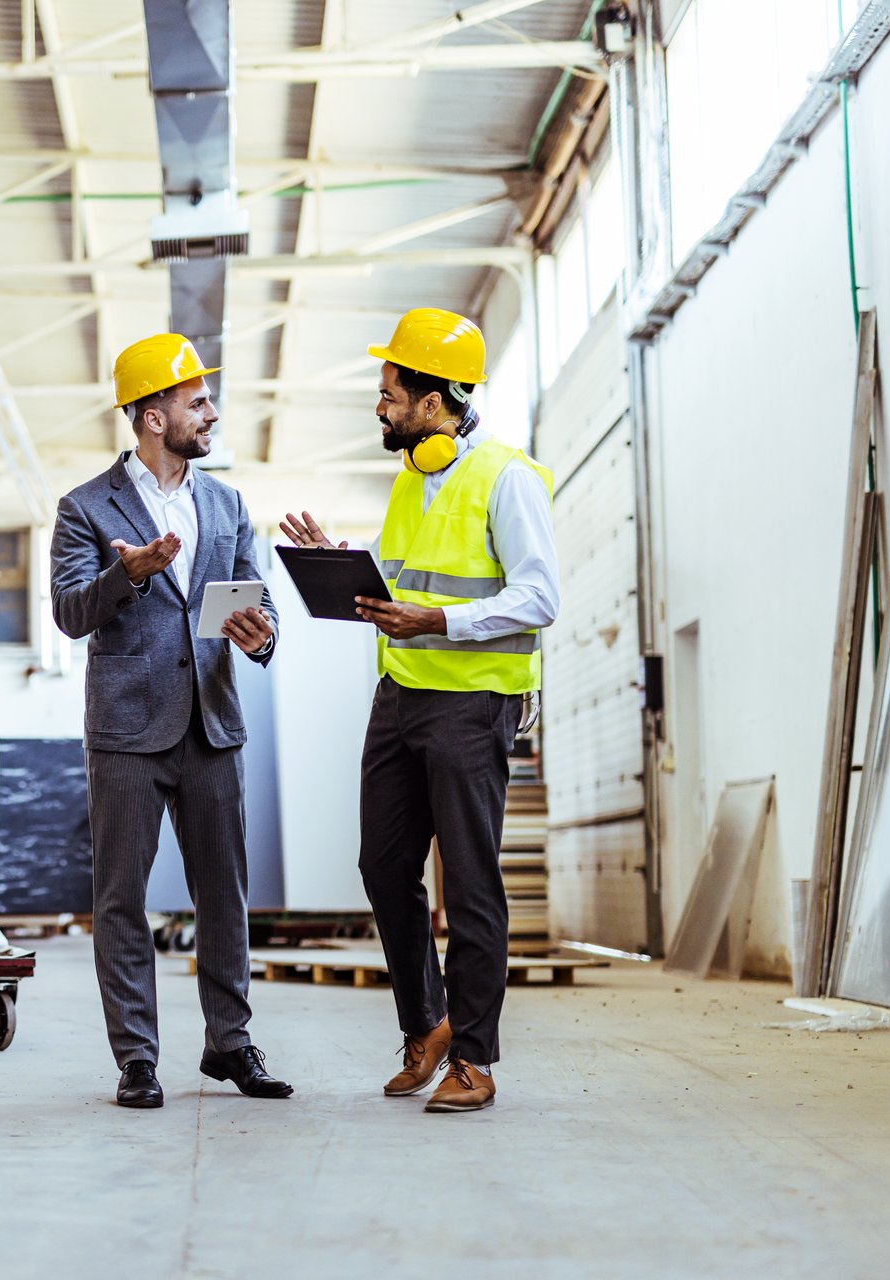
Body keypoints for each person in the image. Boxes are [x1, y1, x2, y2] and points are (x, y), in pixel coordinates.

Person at [282, 308, 558, 1114]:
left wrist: (437, 621)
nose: (380, 406)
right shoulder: (410, 482)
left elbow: (539, 597)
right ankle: (428, 1024)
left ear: (432, 401)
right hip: (400, 696)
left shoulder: (508, 478)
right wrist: (346, 569)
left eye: (389, 391)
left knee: (469, 878)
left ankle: (474, 1058)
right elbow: (406, 586)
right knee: (382, 866)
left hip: (473, 703)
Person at [50, 333, 292, 1110]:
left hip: (213, 723)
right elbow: (67, 612)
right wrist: (129, 573)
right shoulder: (85, 507)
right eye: (197, 402)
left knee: (224, 894)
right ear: (153, 415)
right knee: (122, 896)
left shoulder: (224, 503)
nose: (212, 413)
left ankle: (231, 1044)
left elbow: (255, 596)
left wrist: (264, 634)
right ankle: (137, 1058)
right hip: (126, 730)